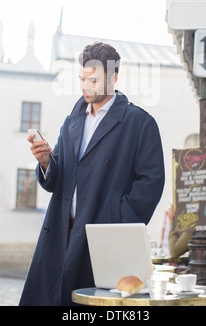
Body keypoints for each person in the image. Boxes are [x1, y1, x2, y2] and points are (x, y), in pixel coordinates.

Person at [19, 41, 165, 306]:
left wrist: (116, 217)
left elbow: (151, 183)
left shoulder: (139, 123)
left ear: (114, 78)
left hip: (102, 235)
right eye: (82, 79)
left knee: (93, 304)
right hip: (60, 231)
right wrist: (45, 162)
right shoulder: (72, 122)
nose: (86, 85)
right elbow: (58, 178)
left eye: (94, 79)